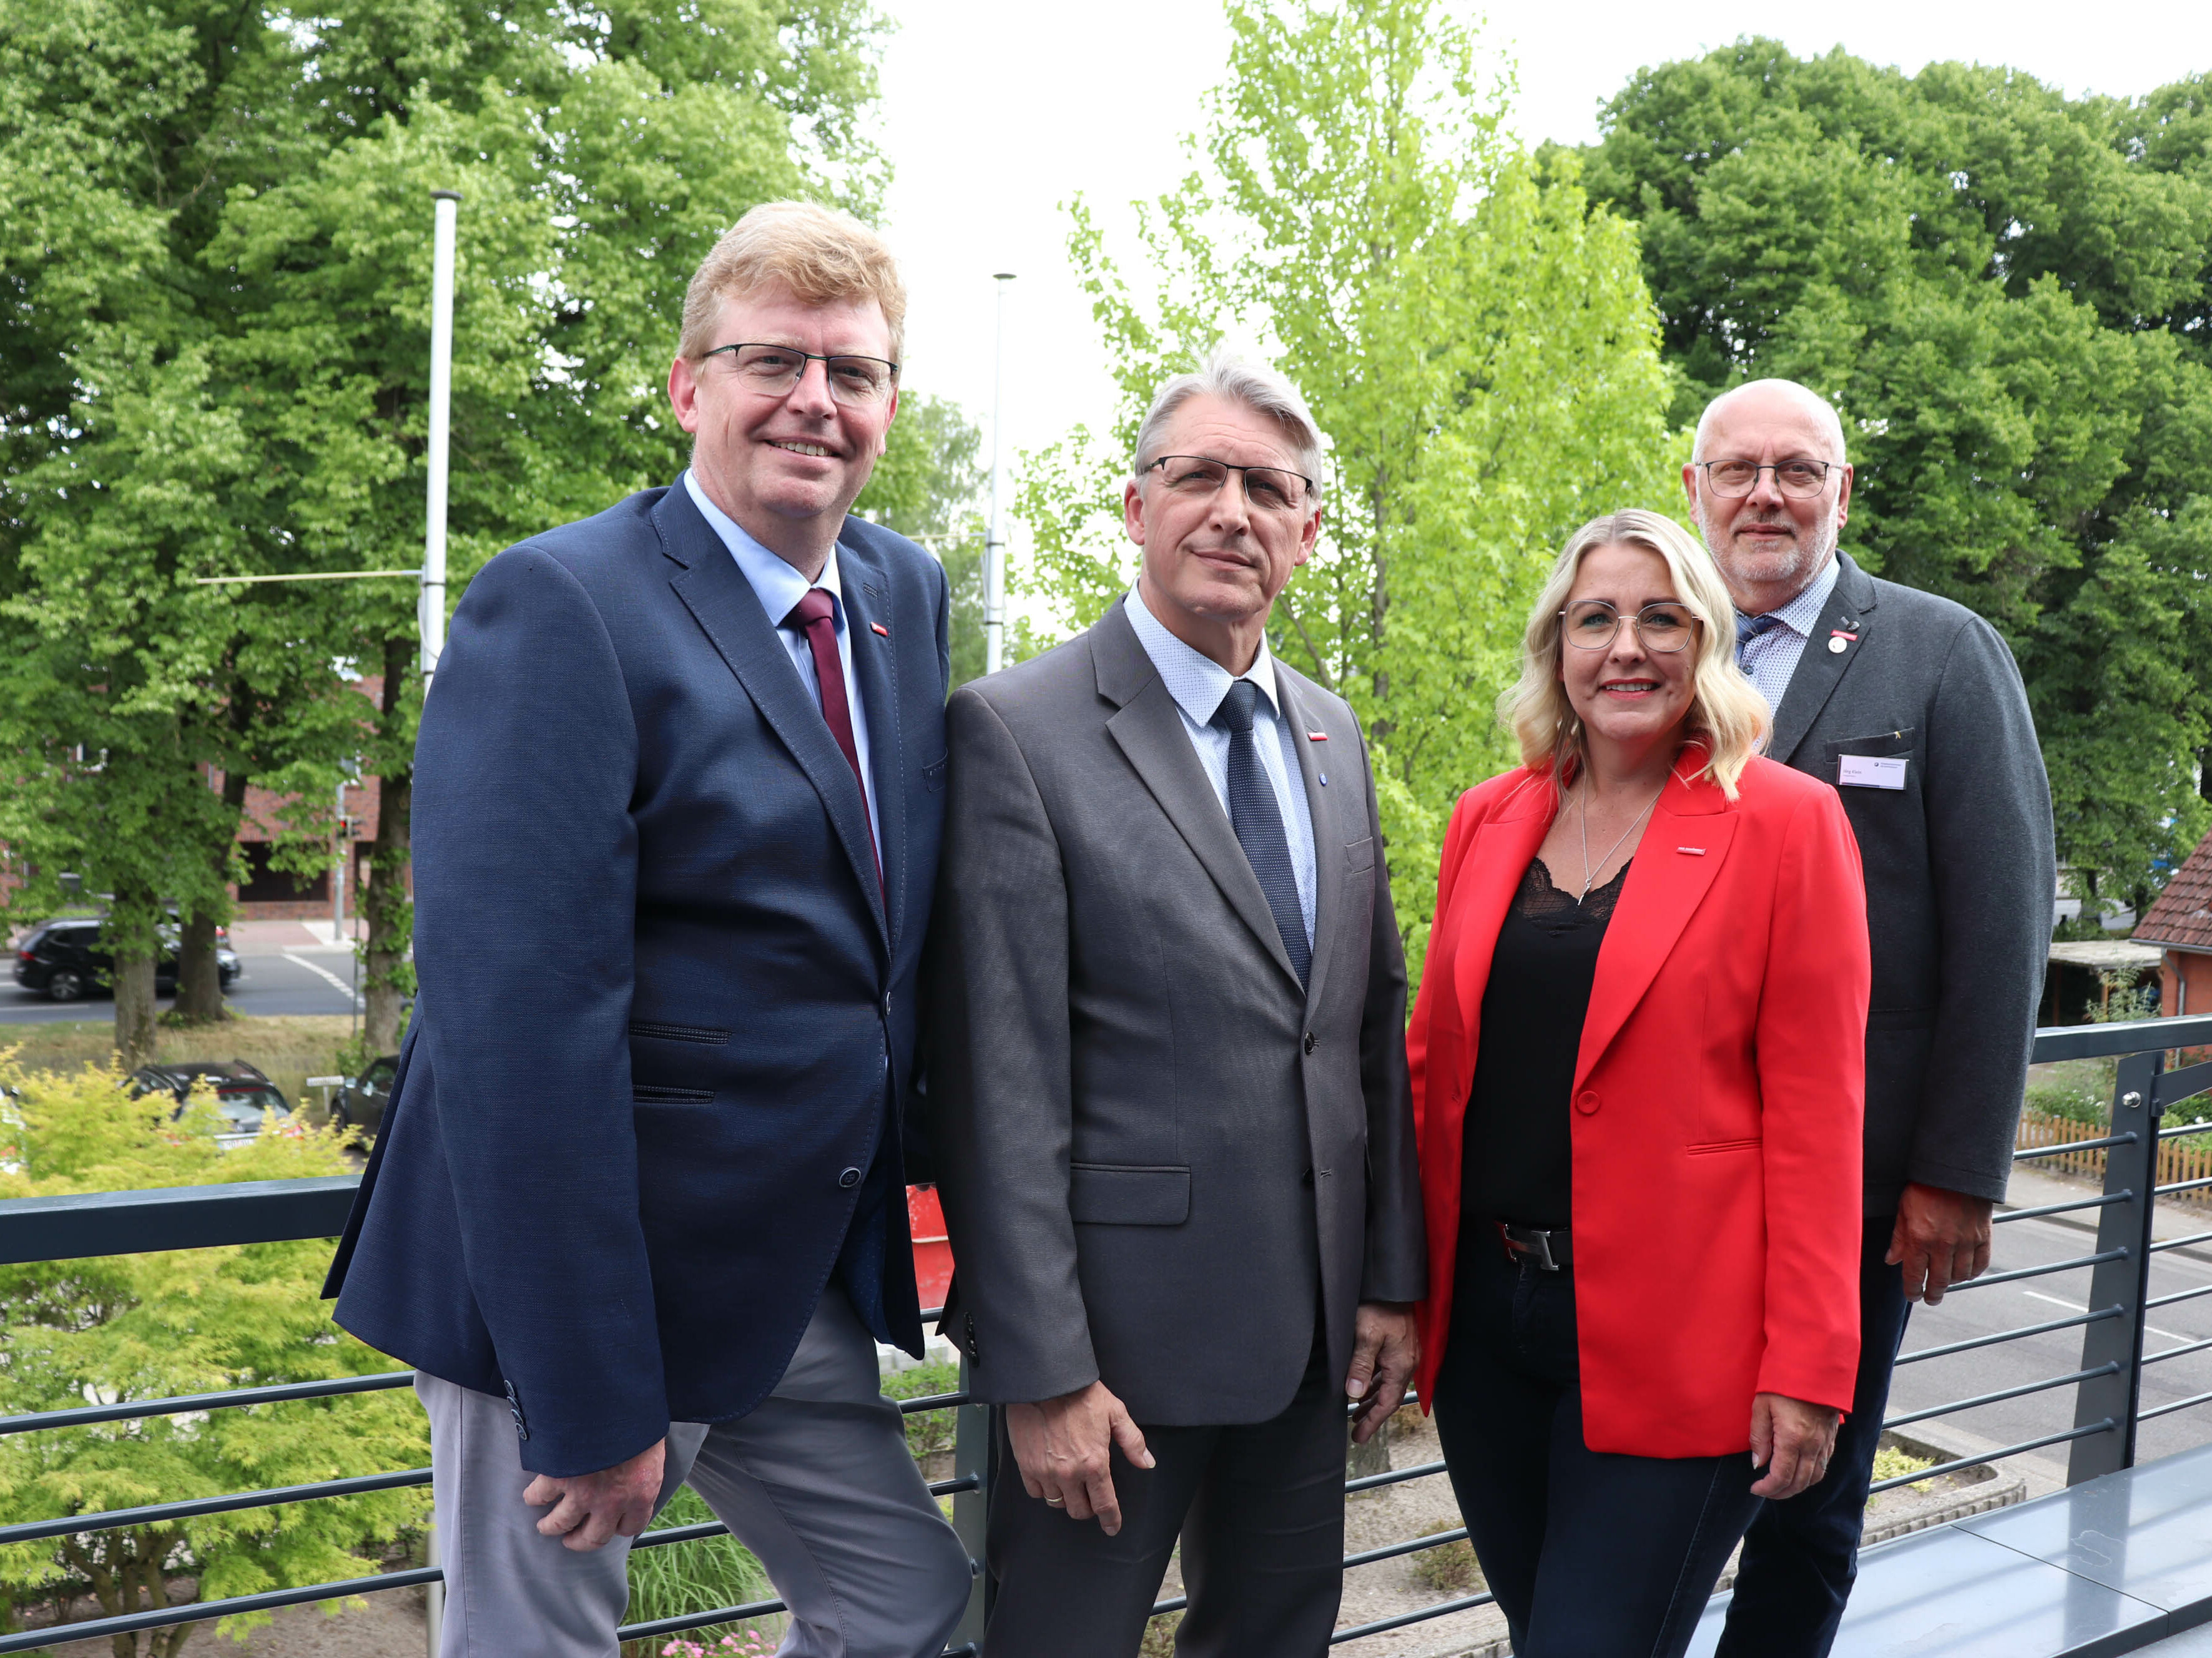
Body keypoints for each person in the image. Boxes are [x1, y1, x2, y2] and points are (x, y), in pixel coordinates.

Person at [322, 201, 971, 1658]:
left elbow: (878, 940)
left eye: (852, 372)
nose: (814, 400)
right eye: (772, 362)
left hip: (775, 1263)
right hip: (565, 1288)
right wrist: (588, 1389)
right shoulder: (560, 602)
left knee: (906, 1602)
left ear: (885, 406)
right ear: (689, 386)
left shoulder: (898, 593)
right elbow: (518, 1031)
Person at [926, 357, 1426, 1658]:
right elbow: (999, 1079)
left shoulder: (1328, 731)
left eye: (1267, 487)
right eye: (1196, 474)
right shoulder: (1015, 728)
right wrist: (1040, 1373)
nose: (1231, 510)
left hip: (1312, 1339)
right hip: (1113, 1358)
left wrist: (1386, 1279)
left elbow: (1365, 1026)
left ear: (1308, 533)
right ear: (1134, 506)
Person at [1405, 508, 1871, 1658]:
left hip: (1683, 1335)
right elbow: (1434, 1066)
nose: (1628, 646)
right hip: (1487, 1333)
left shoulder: (1786, 821)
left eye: (1662, 618)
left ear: (1707, 642)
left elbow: (1821, 1114)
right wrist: (1394, 1289)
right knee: (1544, 1631)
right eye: (1595, 618)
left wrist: (1809, 1367)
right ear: (1555, 648)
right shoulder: (1488, 815)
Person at [1693, 379, 2056, 1657]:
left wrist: (1957, 1171)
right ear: (1694, 488)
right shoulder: (1643, 651)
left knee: (1809, 1489)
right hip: (1670, 1170)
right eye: (1735, 467)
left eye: (1797, 468)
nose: (1764, 492)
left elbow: (2001, 926)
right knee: (1660, 1476)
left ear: (1840, 492)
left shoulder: (1939, 652)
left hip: (1852, 1181)